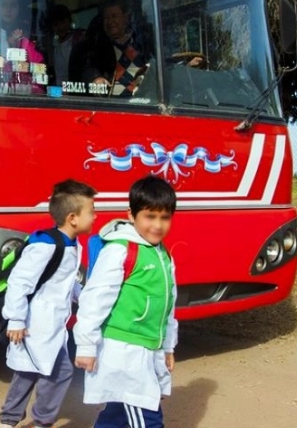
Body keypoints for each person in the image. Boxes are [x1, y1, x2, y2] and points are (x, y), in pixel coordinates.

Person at [73, 175, 178, 428]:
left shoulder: (162, 254)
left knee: (117, 415)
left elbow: (168, 307)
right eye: (150, 217)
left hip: (147, 349)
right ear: (131, 215)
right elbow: (94, 298)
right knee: (148, 419)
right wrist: (86, 345)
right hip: (124, 352)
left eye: (164, 217)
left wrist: (167, 347)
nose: (157, 225)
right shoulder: (120, 250)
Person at [0, 179, 97, 428]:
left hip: (51, 325)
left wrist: (84, 296)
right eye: (92, 211)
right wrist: (17, 319)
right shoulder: (47, 246)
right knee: (57, 372)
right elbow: (19, 282)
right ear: (73, 218)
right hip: (35, 325)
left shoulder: (71, 244)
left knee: (29, 372)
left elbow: (65, 281)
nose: (95, 217)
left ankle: (9, 421)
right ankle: (38, 422)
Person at [82, 0, 150, 97]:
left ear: (126, 17)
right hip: (113, 106)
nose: (110, 22)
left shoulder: (142, 43)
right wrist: (96, 78)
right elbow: (88, 68)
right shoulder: (98, 47)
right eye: (106, 18)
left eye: (114, 16)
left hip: (142, 104)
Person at [45, 4, 85, 85]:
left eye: (63, 22)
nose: (60, 27)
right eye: (56, 24)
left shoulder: (77, 41)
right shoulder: (54, 45)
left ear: (69, 21)